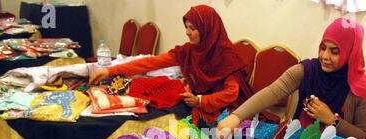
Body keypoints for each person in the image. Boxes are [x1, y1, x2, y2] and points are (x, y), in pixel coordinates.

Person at [216, 18, 366, 139]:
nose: (325, 56)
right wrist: (236, 117)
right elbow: (273, 92)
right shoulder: (308, 69)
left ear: (351, 53)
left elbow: (365, 137)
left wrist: (332, 120)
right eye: (323, 47)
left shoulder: (361, 88)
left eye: (335, 51)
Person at [89, 5, 253, 127]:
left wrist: (200, 101)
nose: (187, 33)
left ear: (207, 30)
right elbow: (150, 63)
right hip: (195, 101)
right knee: (152, 88)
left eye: (193, 28)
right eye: (186, 27)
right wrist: (110, 70)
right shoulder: (188, 51)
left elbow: (232, 93)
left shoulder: (226, 56)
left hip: (224, 110)